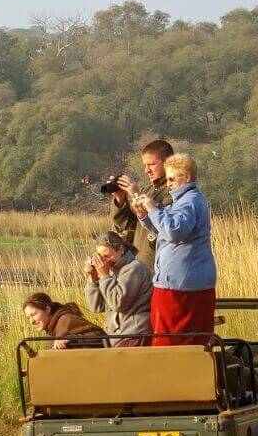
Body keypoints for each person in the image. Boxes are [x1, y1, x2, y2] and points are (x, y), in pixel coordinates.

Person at [131, 153, 216, 347]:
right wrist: (144, 215)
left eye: (171, 179)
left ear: (186, 178)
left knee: (166, 340)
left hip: (178, 286)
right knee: (195, 340)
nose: (168, 184)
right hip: (192, 282)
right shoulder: (187, 200)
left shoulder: (189, 202)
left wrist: (152, 207)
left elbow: (174, 231)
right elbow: (163, 229)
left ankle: (168, 376)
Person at [105, 139, 174, 271]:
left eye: (151, 164)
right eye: (145, 165)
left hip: (162, 263)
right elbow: (124, 225)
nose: (146, 170)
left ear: (168, 163)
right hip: (140, 260)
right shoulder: (146, 189)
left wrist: (135, 194)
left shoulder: (175, 190)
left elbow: (163, 222)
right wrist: (120, 199)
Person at [84, 230, 153, 347]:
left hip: (135, 335)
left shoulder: (134, 269)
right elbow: (96, 306)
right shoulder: (112, 271)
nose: (103, 262)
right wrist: (93, 280)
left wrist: (104, 276)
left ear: (121, 250)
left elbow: (118, 303)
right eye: (100, 258)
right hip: (121, 337)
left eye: (106, 256)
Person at [23, 292, 107, 349]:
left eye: (33, 315)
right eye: (28, 318)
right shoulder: (53, 327)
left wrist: (71, 339)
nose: (31, 321)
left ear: (47, 310)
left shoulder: (66, 320)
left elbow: (100, 335)